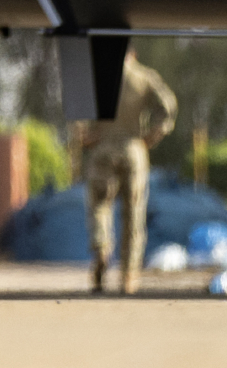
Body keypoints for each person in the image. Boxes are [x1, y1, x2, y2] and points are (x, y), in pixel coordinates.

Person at [74, 50, 178, 294]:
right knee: (134, 214)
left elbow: (76, 108)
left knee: (99, 205)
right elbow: (168, 105)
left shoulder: (97, 78)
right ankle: (129, 276)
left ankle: (100, 248)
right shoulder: (144, 77)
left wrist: (83, 136)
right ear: (132, 52)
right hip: (134, 148)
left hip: (102, 146)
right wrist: (154, 134)